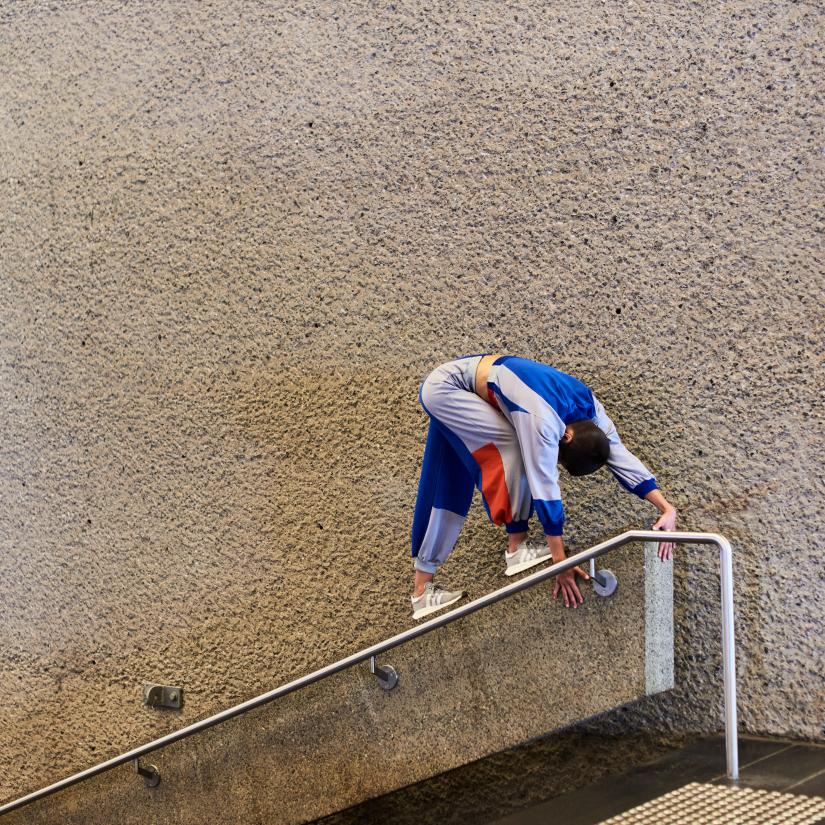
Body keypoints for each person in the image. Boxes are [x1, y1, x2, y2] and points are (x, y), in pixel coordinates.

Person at [409, 353, 677, 620]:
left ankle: (422, 591)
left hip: (462, 390)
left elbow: (617, 455)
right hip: (448, 388)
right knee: (514, 449)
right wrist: (561, 563)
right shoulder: (543, 419)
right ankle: (517, 548)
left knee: (447, 482)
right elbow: (544, 486)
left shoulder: (592, 413)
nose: (554, 458)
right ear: (566, 437)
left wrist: (665, 508)